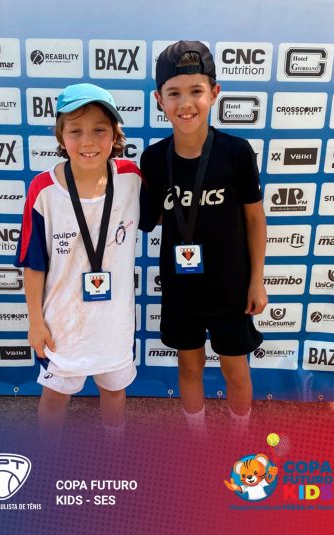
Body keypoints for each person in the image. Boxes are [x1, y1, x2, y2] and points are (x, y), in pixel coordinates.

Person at [139, 41, 267, 436]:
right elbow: (149, 217)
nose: (185, 103)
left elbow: (254, 218)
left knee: (236, 369)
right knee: (189, 366)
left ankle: (239, 437)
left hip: (231, 287)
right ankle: (197, 439)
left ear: (214, 93)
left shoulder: (236, 152)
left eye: (196, 91)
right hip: (181, 287)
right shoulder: (153, 159)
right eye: (174, 93)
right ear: (159, 100)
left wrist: (257, 280)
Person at [14, 83, 141, 444]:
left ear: (115, 134)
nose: (88, 141)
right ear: (61, 135)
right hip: (62, 324)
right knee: (55, 397)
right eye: (75, 131)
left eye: (99, 129)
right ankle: (48, 454)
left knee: (114, 393)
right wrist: (35, 322)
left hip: (114, 324)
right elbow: (34, 263)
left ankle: (115, 450)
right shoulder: (43, 189)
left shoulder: (131, 178)